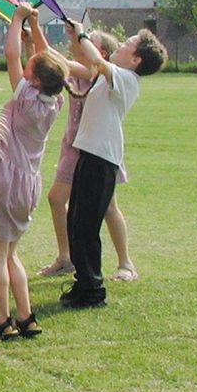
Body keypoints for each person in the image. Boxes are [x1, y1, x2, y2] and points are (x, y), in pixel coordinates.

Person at [0, 4, 68, 340]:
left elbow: (11, 55)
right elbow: (44, 59)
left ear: (35, 78)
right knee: (12, 252)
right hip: (28, 185)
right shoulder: (54, 101)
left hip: (5, 181)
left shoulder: (26, 97)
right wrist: (34, 28)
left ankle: (2, 321)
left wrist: (15, 21)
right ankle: (26, 316)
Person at [59, 22, 167, 308]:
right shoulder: (112, 76)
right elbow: (84, 63)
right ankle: (84, 283)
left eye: (128, 43)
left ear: (136, 60)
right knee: (76, 222)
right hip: (90, 155)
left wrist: (82, 33)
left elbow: (95, 59)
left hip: (101, 160)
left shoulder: (126, 78)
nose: (121, 44)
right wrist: (74, 37)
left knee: (85, 225)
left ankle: (93, 291)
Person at [38, 30, 138, 282]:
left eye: (89, 38)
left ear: (100, 52)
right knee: (57, 199)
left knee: (108, 208)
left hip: (98, 152)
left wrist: (76, 34)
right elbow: (51, 57)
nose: (81, 40)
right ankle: (66, 258)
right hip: (74, 147)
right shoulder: (79, 70)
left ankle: (125, 263)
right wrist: (36, 30)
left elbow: (72, 62)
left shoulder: (100, 74)